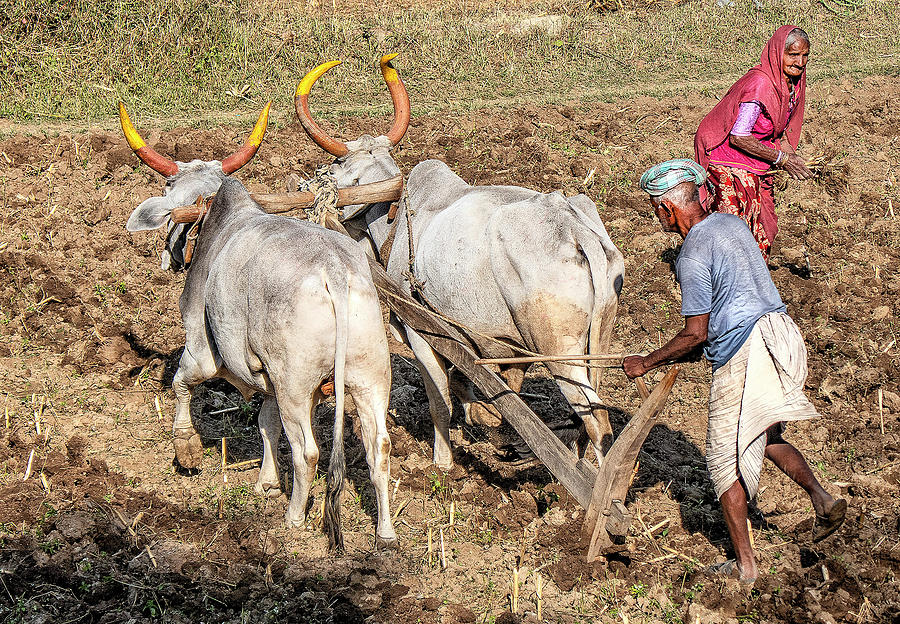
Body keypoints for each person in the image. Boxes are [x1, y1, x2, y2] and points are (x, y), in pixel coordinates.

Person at [625, 159, 847, 584]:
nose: (656, 216)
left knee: (723, 461)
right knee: (767, 435)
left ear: (669, 209)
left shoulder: (691, 253)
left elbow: (695, 333)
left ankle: (745, 567)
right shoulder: (732, 224)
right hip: (780, 333)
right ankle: (821, 499)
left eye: (655, 207)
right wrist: (685, 350)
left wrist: (648, 360)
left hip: (748, 351)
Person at [694, 25, 813, 261]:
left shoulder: (790, 83)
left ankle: (751, 278)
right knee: (732, 228)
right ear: (778, 52)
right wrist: (782, 159)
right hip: (726, 155)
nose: (800, 62)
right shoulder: (762, 85)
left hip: (753, 157)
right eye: (793, 54)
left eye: (805, 55)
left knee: (763, 227)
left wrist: (793, 158)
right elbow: (739, 136)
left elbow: (777, 132)